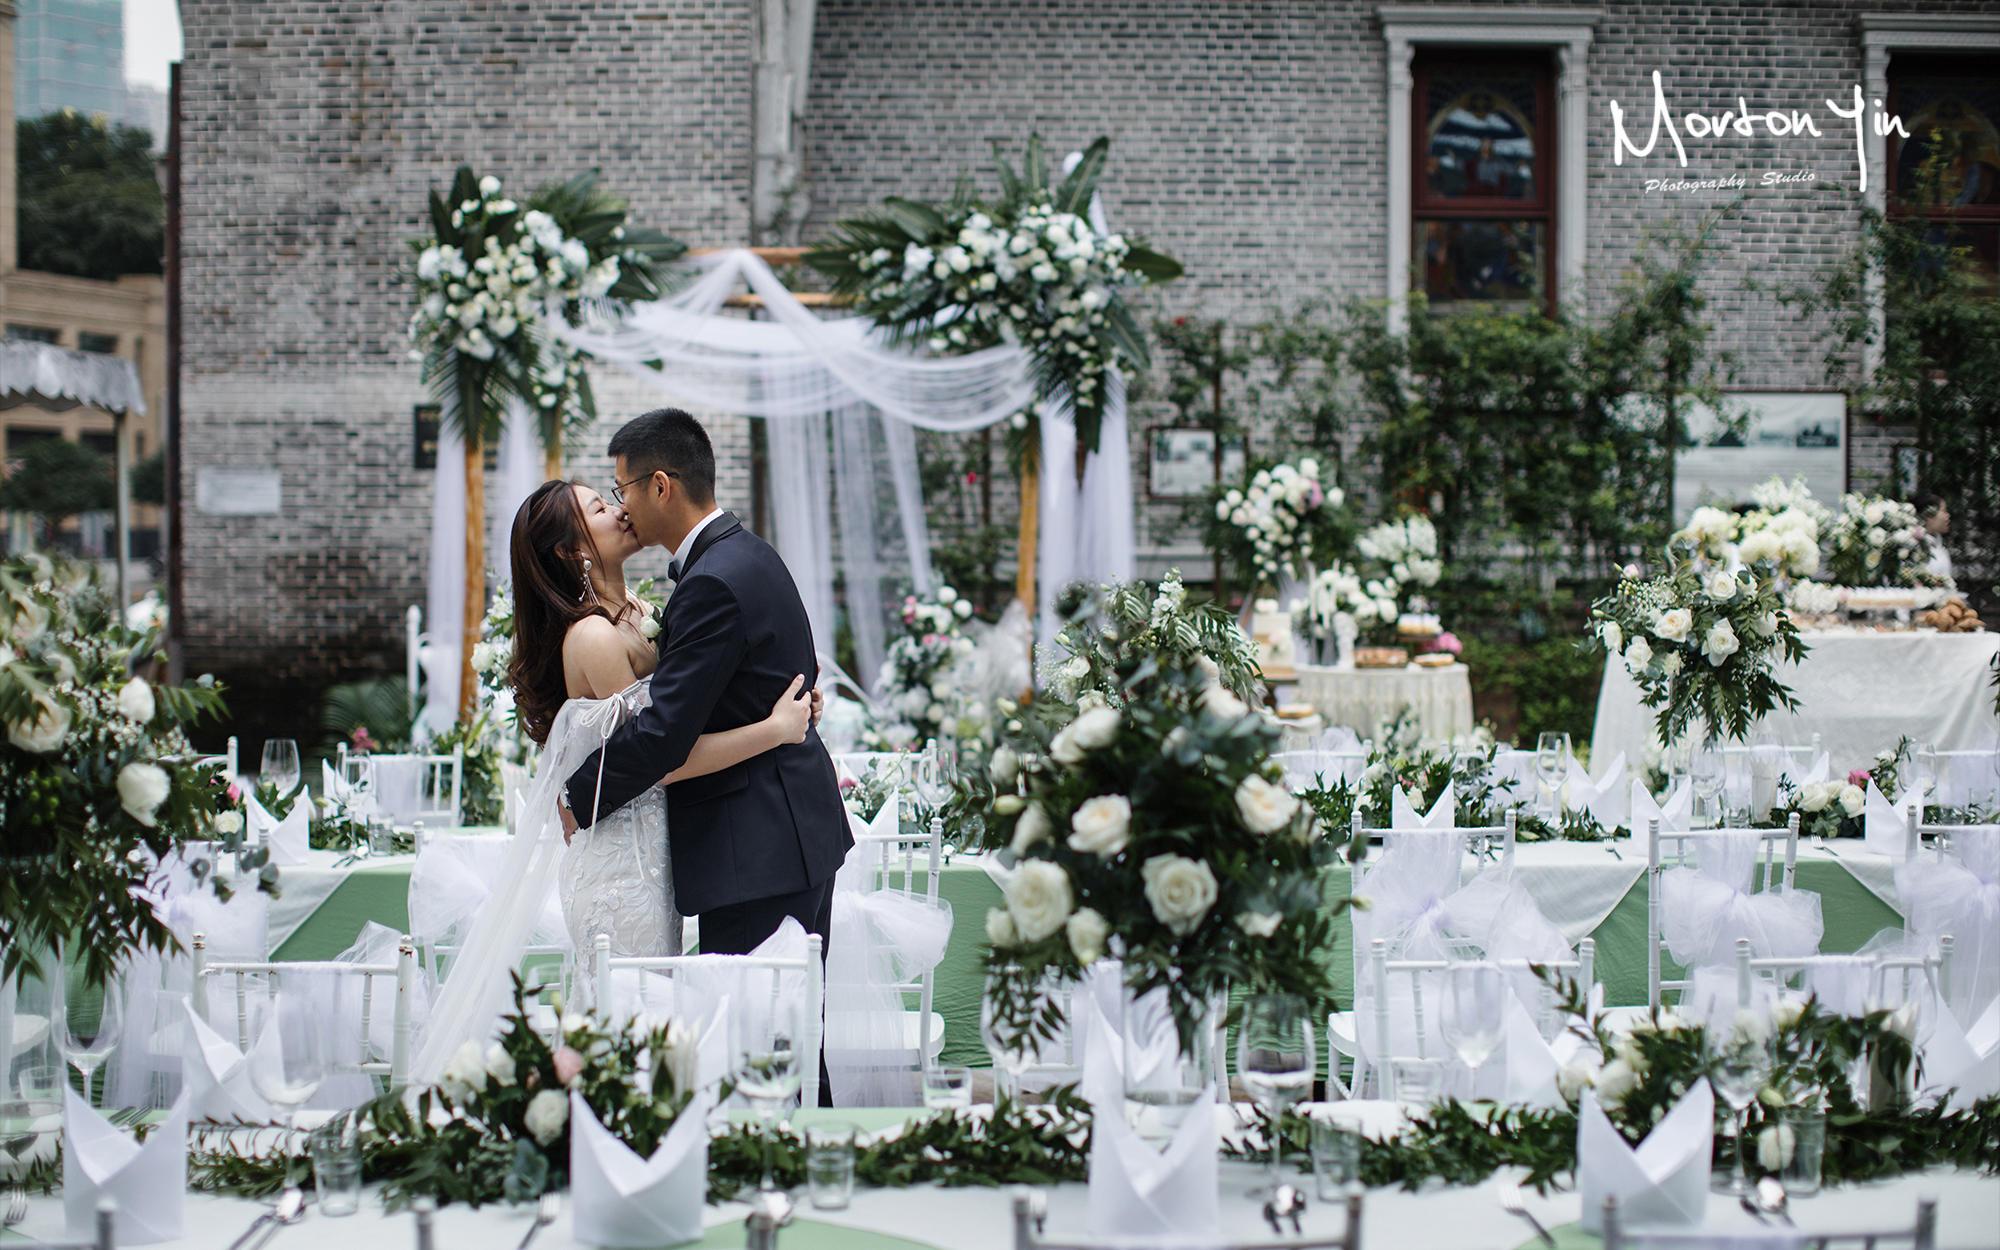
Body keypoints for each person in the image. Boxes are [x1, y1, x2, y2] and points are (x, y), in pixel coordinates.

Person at [407, 477, 821, 1084]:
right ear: (573, 551)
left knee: (653, 1020)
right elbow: (663, 759)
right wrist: (774, 728)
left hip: (660, 849)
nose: (620, 509)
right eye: (601, 509)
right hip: (621, 866)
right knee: (630, 1020)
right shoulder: (594, 637)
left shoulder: (644, 616)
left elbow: (696, 704)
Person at [562, 408, 852, 1102]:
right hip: (778, 834)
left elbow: (664, 734)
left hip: (756, 847)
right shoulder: (742, 555)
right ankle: (802, 1169)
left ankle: (783, 1179)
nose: (621, 504)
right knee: (781, 1041)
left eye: (621, 487)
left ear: (660, 485)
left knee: (756, 1048)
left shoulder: (714, 580)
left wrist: (578, 793)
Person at [1912, 491, 1954, 585]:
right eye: (1944, 511)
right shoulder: (1912, 546)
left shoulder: (1938, 544)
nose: (1947, 516)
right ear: (1928, 515)